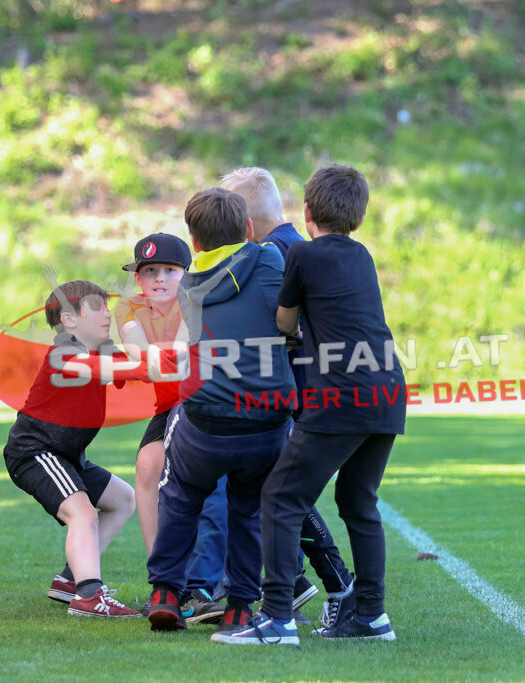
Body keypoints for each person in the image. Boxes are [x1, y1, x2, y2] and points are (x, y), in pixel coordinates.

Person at [214, 164, 405, 645]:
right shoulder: (362, 256)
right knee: (358, 501)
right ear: (358, 219)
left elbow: (283, 321)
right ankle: (371, 616)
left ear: (305, 211)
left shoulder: (300, 254)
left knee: (280, 496)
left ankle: (277, 619)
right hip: (387, 389)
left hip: (341, 392)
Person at [145, 188, 295, 636]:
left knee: (180, 494)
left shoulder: (188, 284)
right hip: (267, 419)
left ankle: (166, 592)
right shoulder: (269, 260)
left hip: (206, 418)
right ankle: (240, 608)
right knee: (247, 510)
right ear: (249, 229)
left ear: (193, 245)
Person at [221, 167, 357, 625]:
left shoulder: (271, 254)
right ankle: (300, 582)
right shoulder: (299, 245)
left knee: (280, 493)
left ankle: (328, 581)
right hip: (304, 387)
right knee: (275, 489)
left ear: (242, 221)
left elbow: (275, 326)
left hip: (288, 392)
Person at [3, 279, 140, 618]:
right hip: (35, 452)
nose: (106, 314)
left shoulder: (100, 350)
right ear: (68, 319)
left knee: (122, 500)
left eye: (107, 306)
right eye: (97, 307)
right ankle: (89, 596)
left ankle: (70, 580)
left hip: (66, 457)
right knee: (83, 513)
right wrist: (147, 360)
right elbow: (116, 368)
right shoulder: (66, 353)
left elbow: (138, 366)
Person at [113, 232, 225, 624]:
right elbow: (144, 356)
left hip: (204, 400)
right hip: (168, 405)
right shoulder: (128, 308)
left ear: (185, 274)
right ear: (138, 279)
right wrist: (153, 356)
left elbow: (171, 360)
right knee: (147, 466)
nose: (159, 278)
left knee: (201, 477)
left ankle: (199, 582)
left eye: (170, 270)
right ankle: (164, 581)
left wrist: (154, 356)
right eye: (149, 271)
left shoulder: (196, 301)